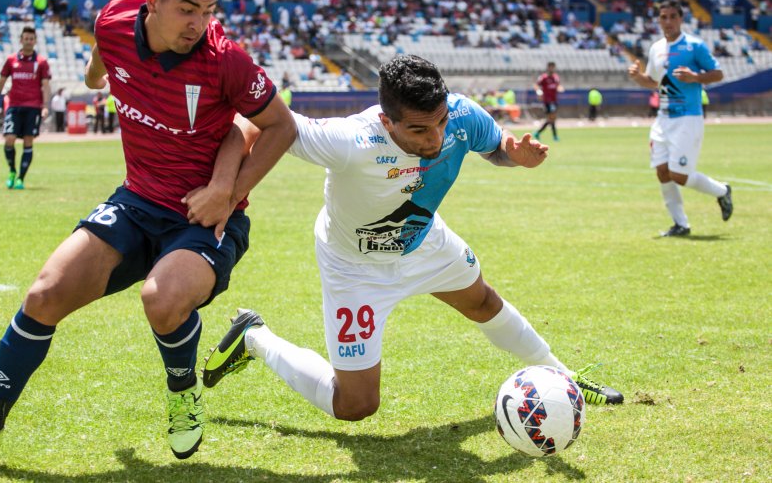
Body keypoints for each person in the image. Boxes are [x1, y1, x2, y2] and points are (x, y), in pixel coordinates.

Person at [0, 0, 296, 461]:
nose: (200, 24)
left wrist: (228, 193)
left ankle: (182, 393)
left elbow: (278, 126)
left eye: (209, 11)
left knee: (161, 300)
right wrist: (101, 75)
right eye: (187, 9)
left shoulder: (225, 59)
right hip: (135, 201)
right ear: (153, 2)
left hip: (201, 218)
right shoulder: (113, 21)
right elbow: (98, 68)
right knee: (43, 294)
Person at [202, 55, 623, 426]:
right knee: (356, 405)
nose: (435, 138)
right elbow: (252, 122)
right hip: (354, 267)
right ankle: (254, 338)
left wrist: (516, 156)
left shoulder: (462, 116)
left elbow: (495, 148)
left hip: (425, 243)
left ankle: (563, 379)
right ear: (387, 121)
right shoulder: (350, 140)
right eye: (420, 130)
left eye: (439, 122)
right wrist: (227, 190)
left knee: (483, 302)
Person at [627, 0, 732, 237]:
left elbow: (718, 74)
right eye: (663, 17)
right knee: (662, 172)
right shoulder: (656, 48)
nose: (668, 21)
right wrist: (637, 77)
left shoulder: (695, 46)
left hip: (688, 117)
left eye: (673, 16)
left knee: (680, 175)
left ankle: (722, 191)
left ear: (681, 19)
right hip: (662, 119)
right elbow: (654, 82)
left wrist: (695, 77)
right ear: (659, 20)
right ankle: (680, 224)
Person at [0, 26, 51, 190]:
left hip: (33, 107)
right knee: (9, 138)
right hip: (14, 106)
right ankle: (12, 171)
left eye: (31, 39)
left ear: (35, 41)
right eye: (26, 38)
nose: (29, 41)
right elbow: (1, 82)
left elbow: (46, 86)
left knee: (28, 141)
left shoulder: (42, 62)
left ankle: (20, 179)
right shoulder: (11, 60)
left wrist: (45, 106)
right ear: (21, 40)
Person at [533, 61, 563, 142]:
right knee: (552, 118)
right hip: (547, 101)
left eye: (553, 67)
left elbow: (558, 85)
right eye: (550, 67)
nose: (552, 68)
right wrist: (539, 92)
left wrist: (560, 88)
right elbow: (536, 85)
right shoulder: (543, 77)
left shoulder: (556, 77)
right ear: (548, 67)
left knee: (551, 119)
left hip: (554, 100)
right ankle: (555, 136)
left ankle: (538, 133)